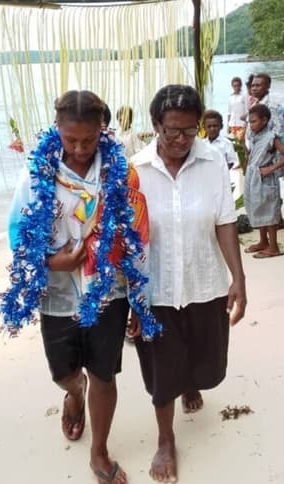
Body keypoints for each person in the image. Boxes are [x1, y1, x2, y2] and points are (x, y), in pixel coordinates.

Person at [0, 90, 153, 484]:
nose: (81, 148)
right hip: (57, 289)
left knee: (105, 372)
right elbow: (19, 236)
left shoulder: (121, 173)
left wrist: (139, 298)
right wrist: (55, 262)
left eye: (89, 138)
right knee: (63, 371)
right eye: (71, 140)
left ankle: (99, 452)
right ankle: (73, 393)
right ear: (58, 130)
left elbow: (136, 235)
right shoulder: (36, 174)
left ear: (103, 129)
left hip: (108, 289)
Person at [130, 84, 246, 483]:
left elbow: (225, 221)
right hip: (154, 288)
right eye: (171, 131)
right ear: (155, 126)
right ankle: (165, 439)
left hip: (203, 282)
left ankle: (189, 385)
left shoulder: (213, 161)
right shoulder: (136, 169)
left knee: (207, 366)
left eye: (189, 131)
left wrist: (238, 279)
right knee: (162, 371)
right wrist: (129, 296)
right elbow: (126, 237)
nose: (180, 140)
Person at [243, 104, 284, 258]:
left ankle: (273, 247)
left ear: (264, 120)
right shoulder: (256, 137)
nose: (250, 125)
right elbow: (253, 154)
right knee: (257, 207)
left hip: (266, 178)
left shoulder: (271, 137)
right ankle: (263, 241)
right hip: (254, 177)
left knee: (269, 211)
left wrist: (271, 168)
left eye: (253, 121)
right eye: (249, 122)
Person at [226, 76, 247, 140]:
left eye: (238, 85)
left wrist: (246, 124)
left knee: (240, 143)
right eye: (234, 86)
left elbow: (247, 110)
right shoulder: (230, 97)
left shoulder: (244, 96)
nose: (236, 87)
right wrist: (228, 125)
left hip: (241, 124)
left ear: (240, 86)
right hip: (232, 124)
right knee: (232, 143)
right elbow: (229, 112)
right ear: (232, 86)